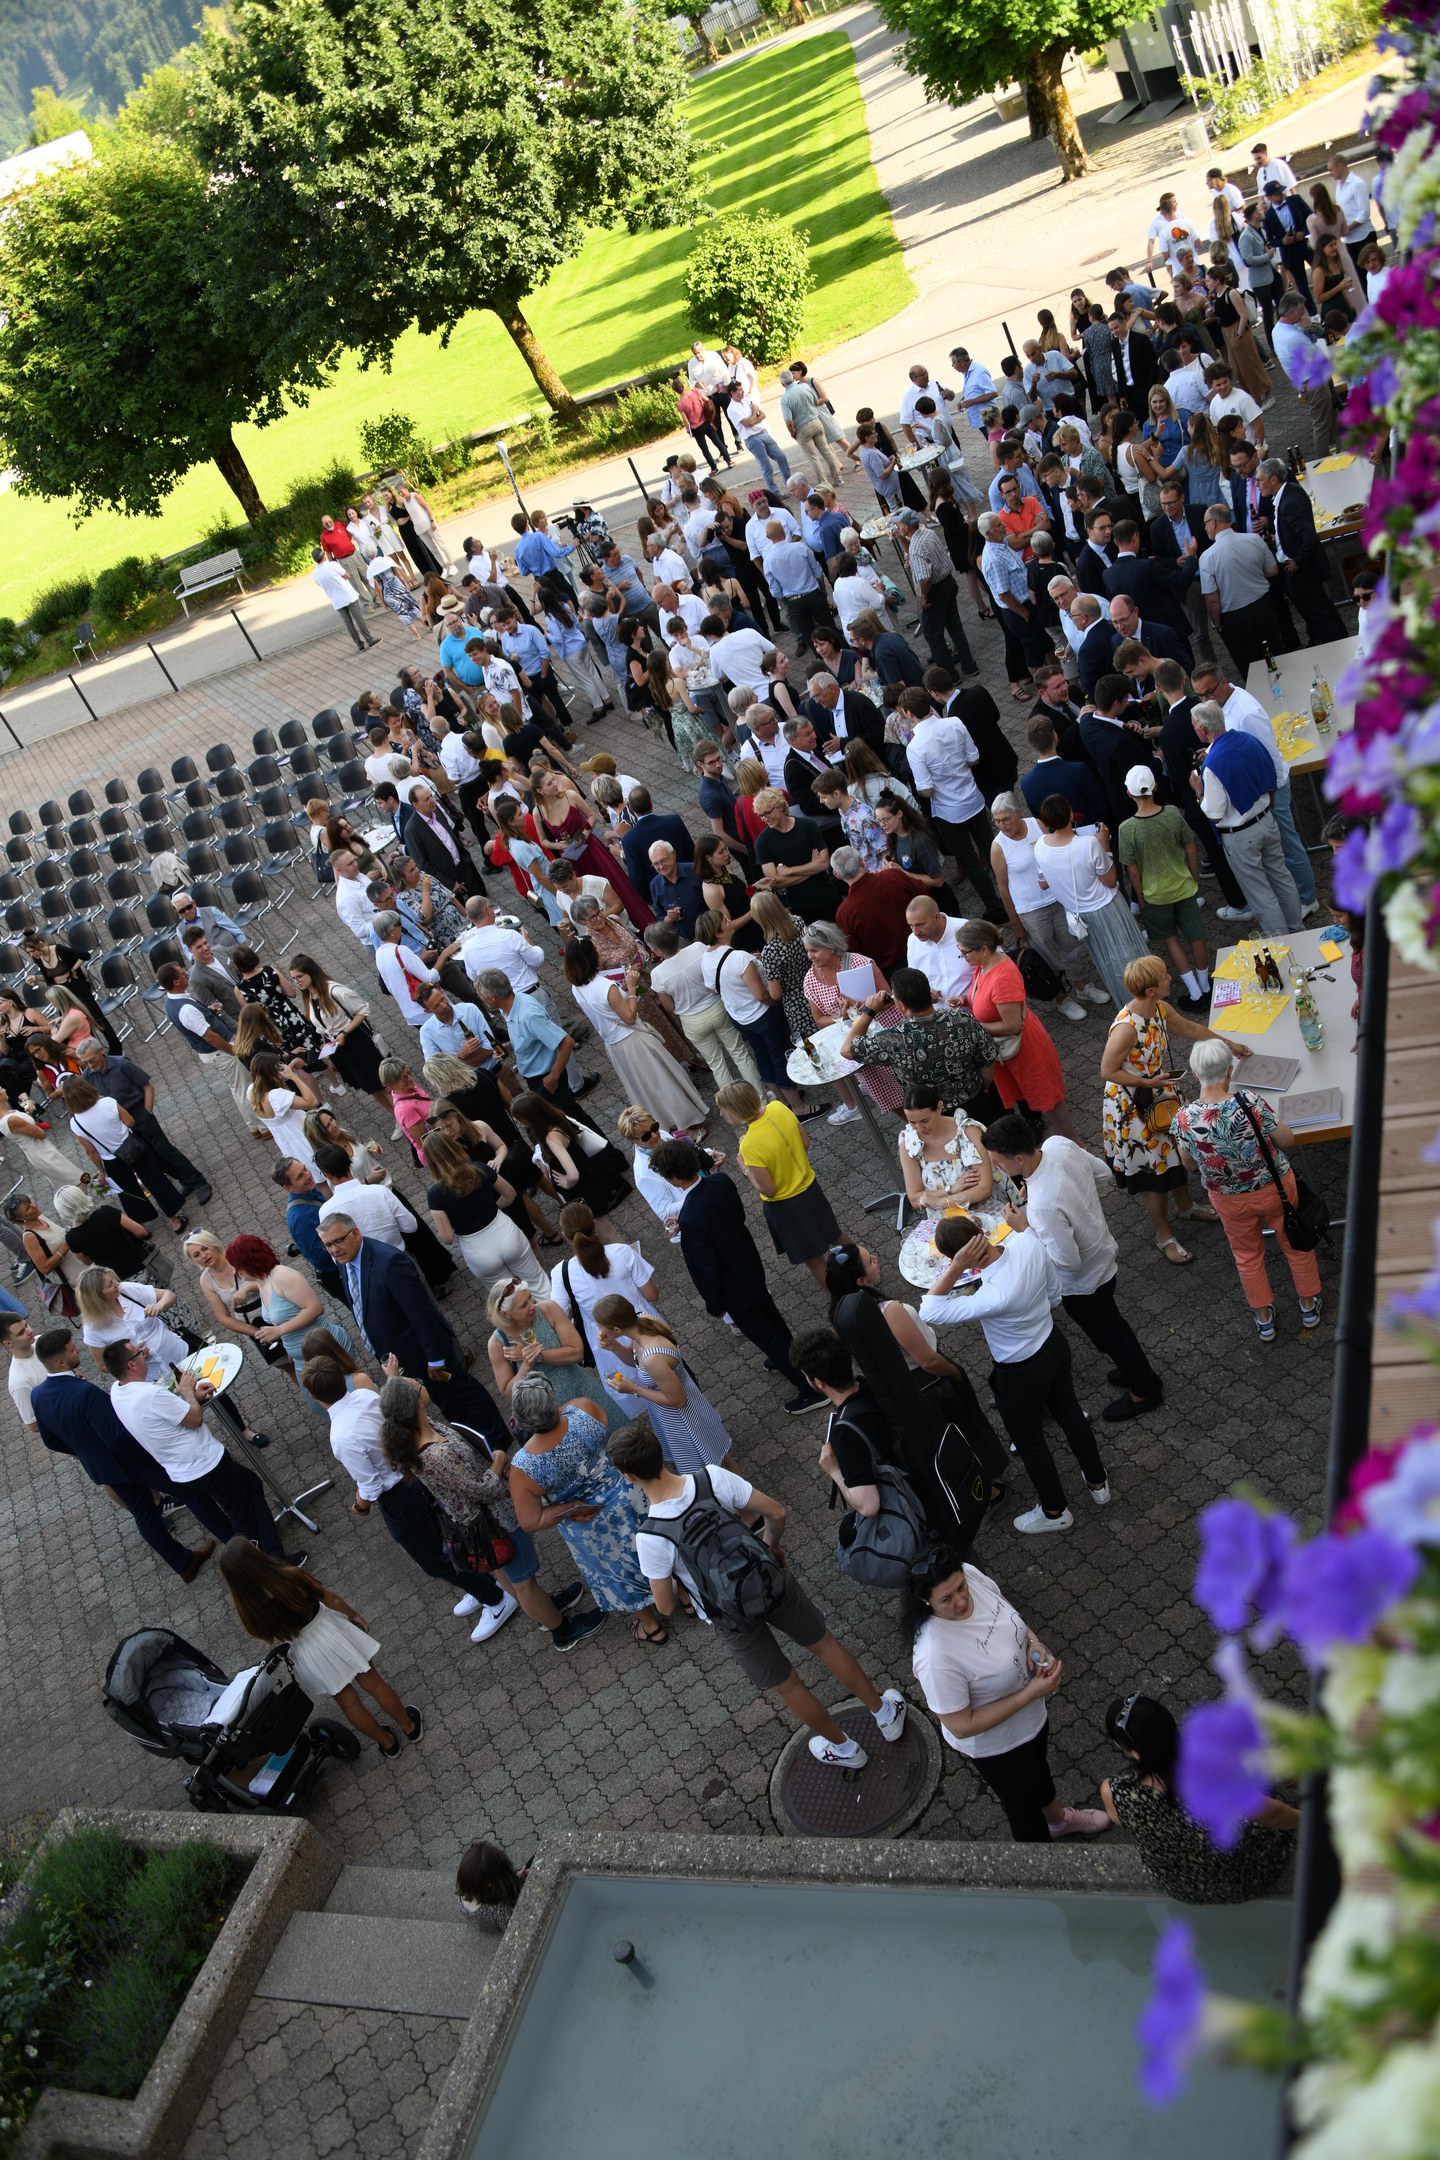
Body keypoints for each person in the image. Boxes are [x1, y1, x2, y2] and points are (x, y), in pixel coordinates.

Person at [611, 1419, 908, 1767]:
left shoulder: (650, 1538)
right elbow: (777, 1512)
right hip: (769, 1580)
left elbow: (664, 1606)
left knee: (788, 1685)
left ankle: (845, 1750)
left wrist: (681, 1582)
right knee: (825, 1645)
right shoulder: (711, 1478)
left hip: (730, 1618)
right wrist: (770, 1545)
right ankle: (884, 1714)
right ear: (660, 1451)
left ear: (628, 1475)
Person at [378, 1371, 604, 1650]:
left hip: (486, 1520)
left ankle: (546, 1607)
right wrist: (498, 1460)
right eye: (418, 1385)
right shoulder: (436, 1455)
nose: (423, 1383)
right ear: (417, 1403)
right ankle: (562, 1630)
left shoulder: (423, 1426)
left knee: (511, 1576)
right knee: (523, 1583)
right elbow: (482, 1490)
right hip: (495, 1522)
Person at [920, 1213, 1110, 1534]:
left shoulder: (993, 1295)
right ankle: (1097, 1483)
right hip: (1053, 1345)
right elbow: (1054, 1293)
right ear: (981, 1231)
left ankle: (1055, 1510)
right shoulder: (1027, 1243)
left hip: (1021, 1373)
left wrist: (955, 1268)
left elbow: (930, 1310)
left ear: (959, 1259)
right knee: (1071, 1415)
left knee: (1029, 1441)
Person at [904, 1548, 1108, 1841]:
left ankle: (1058, 1821)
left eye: (961, 1588)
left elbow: (1001, 1604)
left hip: (1031, 1719)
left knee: (1039, 1771)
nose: (961, 1601)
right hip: (998, 1747)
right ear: (926, 1601)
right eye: (946, 1599)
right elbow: (961, 1725)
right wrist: (1030, 1694)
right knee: (1023, 1808)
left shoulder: (968, 1573)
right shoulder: (934, 1656)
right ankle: (1044, 1862)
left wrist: (1033, 1643)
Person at [983, 1111, 1163, 1422]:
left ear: (1019, 1159)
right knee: (1114, 1328)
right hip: (1103, 1252)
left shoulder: (1043, 1207)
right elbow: (1103, 1173)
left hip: (1083, 1283)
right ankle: (1137, 1371)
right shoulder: (1057, 1145)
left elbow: (1067, 1261)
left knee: (1113, 1335)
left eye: (998, 1162)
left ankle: (1143, 1390)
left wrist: (1025, 1228)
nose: (996, 1167)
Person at [645, 1139, 821, 1413]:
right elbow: (732, 1215)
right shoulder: (720, 1182)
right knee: (772, 1317)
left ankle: (809, 1388)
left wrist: (714, 1304)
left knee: (764, 1334)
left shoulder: (690, 1218)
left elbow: (707, 1269)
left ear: (673, 1178)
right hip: (748, 1264)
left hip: (732, 1287)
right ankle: (794, 1356)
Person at [28, 1326, 217, 1580]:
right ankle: (234, 1535)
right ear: (61, 1362)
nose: (78, 1350)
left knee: (145, 1515)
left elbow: (51, 1441)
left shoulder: (38, 1395)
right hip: (132, 1462)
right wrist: (149, 1450)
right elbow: (117, 1436)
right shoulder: (84, 1392)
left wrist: (85, 1451)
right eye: (72, 1349)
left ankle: (183, 1564)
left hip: (104, 1470)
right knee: (191, 1491)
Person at [1100, 955, 1246, 1265]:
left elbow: (1191, 1029)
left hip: (1159, 1091)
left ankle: (1185, 1206)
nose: (1170, 978)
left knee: (1175, 1156)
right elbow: (1107, 1071)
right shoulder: (1126, 1029)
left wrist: (1228, 1044)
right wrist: (1147, 1081)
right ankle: (1163, 1234)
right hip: (1133, 1107)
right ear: (1150, 990)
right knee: (1152, 1172)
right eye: (1164, 976)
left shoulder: (1160, 1008)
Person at [1174, 1038, 1323, 1338]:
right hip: (1275, 1190)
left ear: (1195, 1075)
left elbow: (1188, 1165)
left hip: (1228, 1200)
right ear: (1230, 1071)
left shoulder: (1183, 1119)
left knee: (1246, 1255)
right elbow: (1287, 1140)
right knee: (1296, 1241)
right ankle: (1308, 1305)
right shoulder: (1249, 1101)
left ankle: (1264, 1318)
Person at [316, 1214, 508, 1447]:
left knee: (461, 1392)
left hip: (426, 1354)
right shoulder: (344, 1261)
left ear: (355, 1233)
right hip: (405, 1357)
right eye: (328, 1245)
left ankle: (499, 1441)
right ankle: (477, 1444)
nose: (334, 1250)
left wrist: (435, 1358)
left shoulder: (389, 1262)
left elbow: (421, 1313)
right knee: (445, 1402)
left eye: (338, 1241)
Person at [219, 1539, 420, 1755]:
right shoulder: (290, 1575)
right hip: (331, 1631)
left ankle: (388, 1743)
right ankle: (410, 1727)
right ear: (255, 1557)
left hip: (306, 1652)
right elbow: (331, 1599)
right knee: (374, 1683)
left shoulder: (251, 1610)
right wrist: (353, 1615)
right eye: (253, 1545)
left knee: (349, 1703)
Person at [102, 1337, 294, 1559]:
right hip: (205, 1464)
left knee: (251, 1485)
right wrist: (187, 1392)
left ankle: (272, 1547)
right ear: (132, 1365)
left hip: (182, 1469)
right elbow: (194, 1419)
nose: (144, 1354)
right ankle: (269, 1564)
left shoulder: (118, 1391)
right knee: (242, 1518)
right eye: (139, 1353)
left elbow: (164, 1416)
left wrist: (193, 1397)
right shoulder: (150, 1395)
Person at [507, 1374, 666, 1641]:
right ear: (552, 1402)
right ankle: (686, 1598)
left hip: (592, 1526)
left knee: (618, 1570)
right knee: (658, 1542)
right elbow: (605, 1427)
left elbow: (530, 1521)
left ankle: (652, 1627)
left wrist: (570, 1507)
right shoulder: (582, 1409)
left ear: (521, 1419)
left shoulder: (523, 1468)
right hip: (629, 1498)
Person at [1101, 1691, 1297, 1899]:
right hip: (1247, 1875)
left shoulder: (1114, 1792)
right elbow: (1274, 1814)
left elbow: (1118, 1819)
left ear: (1135, 1753)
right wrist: (1310, 1819)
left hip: (1184, 1886)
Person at [562, 939, 709, 1137]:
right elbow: (630, 1017)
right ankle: (686, 1127)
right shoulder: (605, 987)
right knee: (662, 1082)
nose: (600, 952)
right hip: (633, 1041)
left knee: (645, 1089)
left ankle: (664, 1125)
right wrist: (631, 988)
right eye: (596, 950)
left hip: (614, 1044)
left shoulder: (576, 987)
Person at [1191, 702, 1304, 937]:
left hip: (1240, 836)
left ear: (1202, 729)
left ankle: (1282, 942)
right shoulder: (1248, 740)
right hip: (1266, 820)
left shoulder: (1211, 766)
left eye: (1194, 726)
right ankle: (1298, 929)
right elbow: (1270, 776)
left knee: (1260, 893)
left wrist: (1199, 791)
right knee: (1282, 877)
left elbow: (1214, 815)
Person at [1031, 794, 1152, 1010]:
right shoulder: (1089, 844)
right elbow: (1110, 880)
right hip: (1107, 909)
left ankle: (1130, 1005)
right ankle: (1149, 999)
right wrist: (1105, 845)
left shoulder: (1040, 845)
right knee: (1130, 956)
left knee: (1109, 962)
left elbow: (1043, 883)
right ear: (1070, 814)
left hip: (1081, 916)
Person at [956, 919, 1074, 1140]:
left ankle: (1075, 1144)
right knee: (1035, 1097)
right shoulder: (984, 965)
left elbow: (1011, 1025)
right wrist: (965, 1000)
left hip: (1025, 1049)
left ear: (984, 949)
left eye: (964, 952)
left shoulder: (1002, 976)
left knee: (1050, 1100)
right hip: (1008, 1051)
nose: (962, 957)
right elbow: (987, 1000)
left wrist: (974, 1027)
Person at [593, 1296, 739, 1475]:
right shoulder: (643, 1320)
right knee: (716, 1451)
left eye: (600, 1326)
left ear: (616, 1329)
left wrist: (634, 1389)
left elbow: (678, 1401)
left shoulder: (652, 1358)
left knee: (705, 1466)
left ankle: (730, 1489)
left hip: (682, 1419)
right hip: (689, 1402)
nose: (599, 1331)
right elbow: (634, 1360)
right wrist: (614, 1346)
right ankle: (738, 1481)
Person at [716, 1082, 843, 1287]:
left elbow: (768, 1189)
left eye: (724, 1109)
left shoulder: (749, 1145)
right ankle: (864, 1270)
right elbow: (805, 1143)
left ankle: (841, 1296)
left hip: (786, 1206)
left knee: (812, 1257)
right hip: (810, 1187)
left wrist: (745, 1169)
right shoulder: (778, 1107)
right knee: (835, 1235)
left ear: (737, 1110)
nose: (721, 1114)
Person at [988, 796, 1097, 1017]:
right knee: (1045, 956)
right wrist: (1016, 924)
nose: (1002, 825)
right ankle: (1061, 997)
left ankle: (1082, 986)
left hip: (1056, 898)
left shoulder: (1036, 824)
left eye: (1006, 819)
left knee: (1070, 946)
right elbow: (1003, 889)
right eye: (997, 821)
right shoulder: (998, 847)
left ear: (1019, 813)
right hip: (1030, 910)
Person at [840, 966, 997, 1116]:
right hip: (976, 1104)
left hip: (930, 1119)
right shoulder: (963, 1019)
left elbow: (847, 1050)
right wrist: (983, 1088)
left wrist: (869, 1011)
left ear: (901, 1004)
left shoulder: (892, 1040)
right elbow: (989, 1059)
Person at [70, 1038, 210, 1204]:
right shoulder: (87, 1076)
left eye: (91, 1060)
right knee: (151, 1157)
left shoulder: (122, 1064)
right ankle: (183, 1179)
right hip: (121, 1124)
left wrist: (147, 1111)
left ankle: (198, 1181)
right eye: (85, 1062)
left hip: (139, 1114)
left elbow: (147, 1086)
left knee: (164, 1150)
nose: (89, 1065)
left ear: (100, 1051)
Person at [1116, 766, 1210, 1005]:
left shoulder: (1126, 829)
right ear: (1156, 787)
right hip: (1183, 887)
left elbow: (1132, 870)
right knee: (1196, 937)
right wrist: (1194, 877)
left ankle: (1195, 993)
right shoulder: (1172, 813)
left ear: (1129, 793)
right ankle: (1206, 985)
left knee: (1171, 939)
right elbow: (1191, 848)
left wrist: (1140, 897)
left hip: (1155, 895)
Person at [485, 1276, 622, 1430]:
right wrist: (526, 1365)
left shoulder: (548, 1309)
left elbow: (577, 1352)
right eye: (523, 1305)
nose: (532, 1305)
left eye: (530, 1297)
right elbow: (508, 1393)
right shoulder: (497, 1343)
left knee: (617, 1431)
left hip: (583, 1389)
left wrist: (538, 1356)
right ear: (505, 1314)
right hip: (552, 1414)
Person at [59, 1074, 189, 1235]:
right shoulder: (107, 1102)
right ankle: (175, 1221)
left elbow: (91, 1151)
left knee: (129, 1194)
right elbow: (130, 1121)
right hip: (133, 1147)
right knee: (156, 1181)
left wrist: (101, 1171)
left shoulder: (75, 1123)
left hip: (112, 1160)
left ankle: (142, 1228)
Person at [424, 1132, 547, 1296]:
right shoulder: (479, 1168)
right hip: (505, 1232)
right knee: (537, 1282)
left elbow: (447, 1238)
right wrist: (493, 1207)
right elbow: (510, 1194)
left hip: (477, 1250)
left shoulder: (434, 1194)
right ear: (455, 1148)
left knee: (508, 1299)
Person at [645, 922, 762, 1093]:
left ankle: (737, 1105)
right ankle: (761, 1099)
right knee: (740, 1054)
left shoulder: (658, 974)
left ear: (658, 950)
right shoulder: (698, 948)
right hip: (718, 1007)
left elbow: (669, 1006)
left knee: (717, 1066)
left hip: (693, 1021)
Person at [897, 1083, 1011, 1233]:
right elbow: (915, 1199)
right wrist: (951, 1189)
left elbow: (984, 1189)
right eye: (912, 1122)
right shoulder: (909, 1144)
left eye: (924, 1121)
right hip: (947, 1222)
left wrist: (938, 1202)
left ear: (939, 1107)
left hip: (986, 1210)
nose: (919, 1128)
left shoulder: (968, 1132)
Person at [311, 546, 381, 652]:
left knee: (348, 622)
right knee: (358, 618)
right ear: (323, 555)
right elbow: (347, 575)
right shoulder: (332, 565)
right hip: (348, 595)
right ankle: (369, 639)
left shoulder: (315, 573)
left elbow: (319, 584)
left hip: (336, 600)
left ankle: (359, 644)